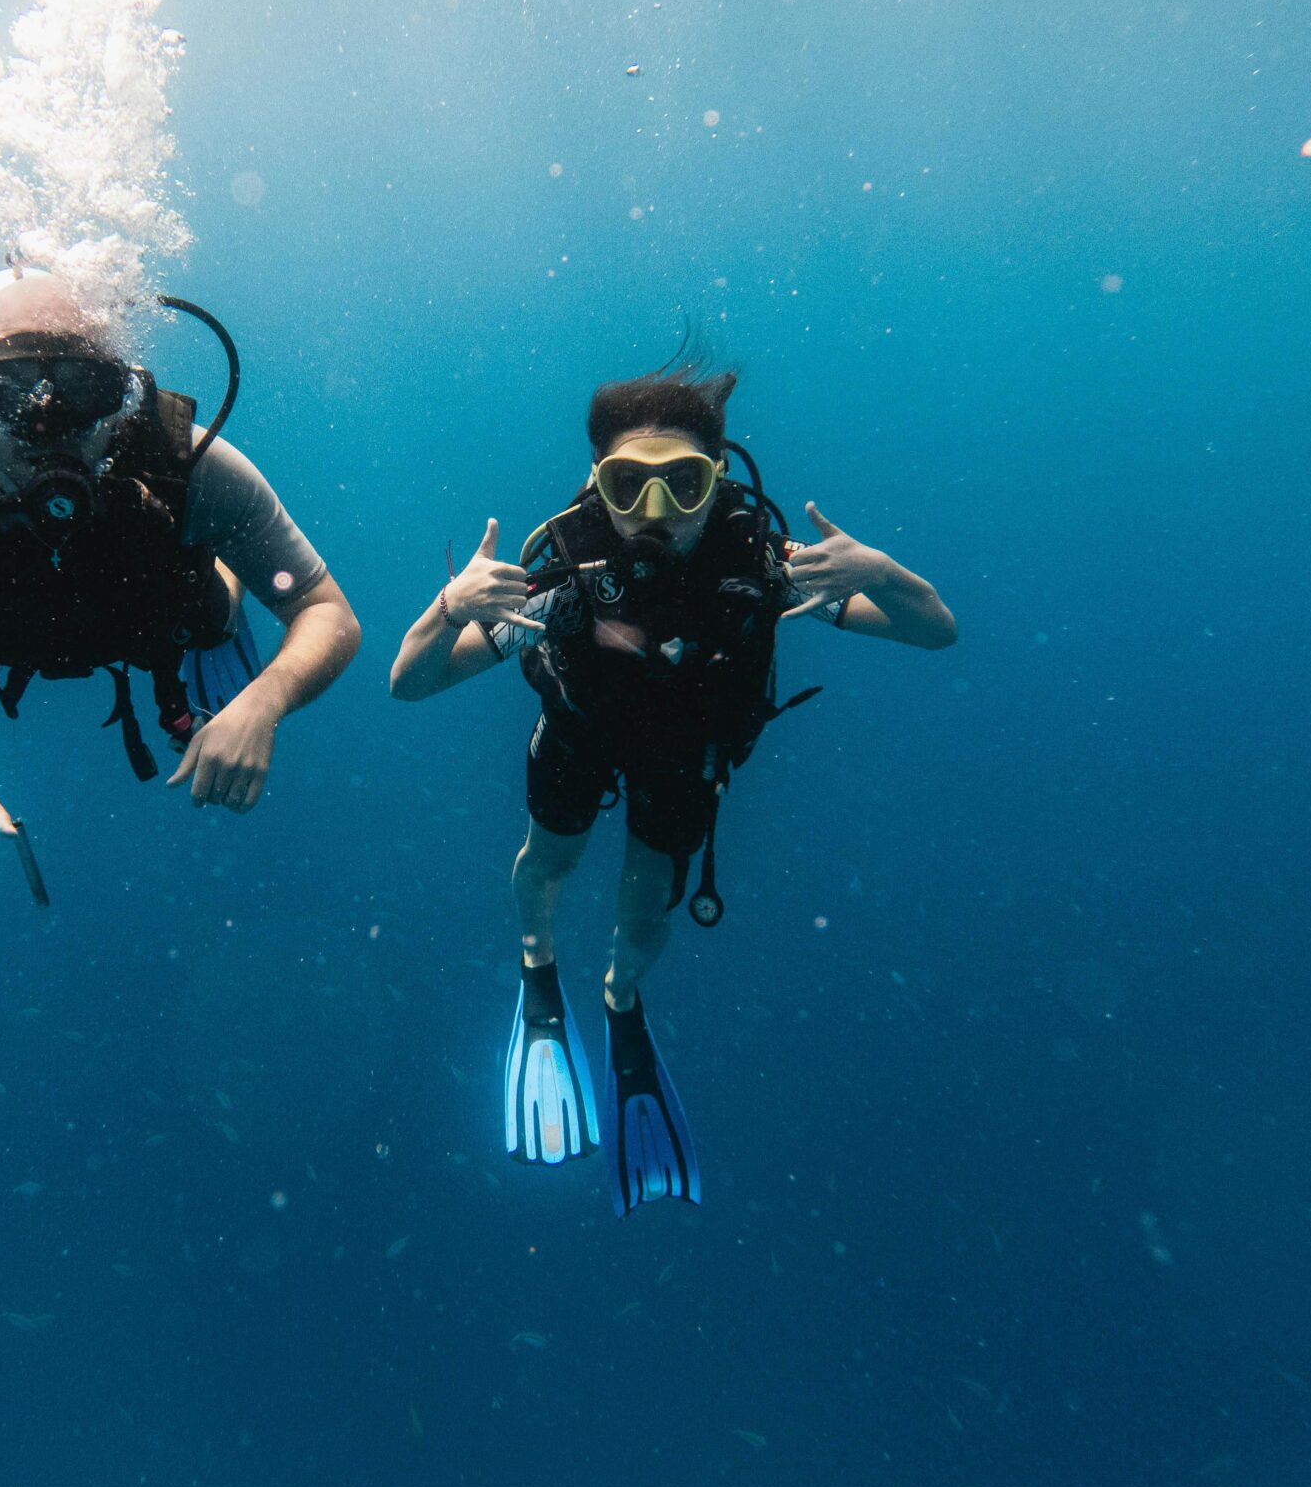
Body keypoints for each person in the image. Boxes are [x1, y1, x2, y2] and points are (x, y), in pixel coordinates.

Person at [388, 359, 956, 1213]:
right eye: (628, 485)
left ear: (717, 482)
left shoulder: (767, 569)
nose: (654, 513)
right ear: (597, 486)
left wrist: (881, 571)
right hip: (578, 736)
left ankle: (621, 1000)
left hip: (686, 759)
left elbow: (934, 631)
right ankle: (538, 968)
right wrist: (449, 607)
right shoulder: (559, 582)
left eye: (682, 485)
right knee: (549, 860)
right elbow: (409, 681)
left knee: (647, 903)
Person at [0, 273, 360, 886]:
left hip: (158, 618)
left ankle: (227, 570)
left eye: (82, 384)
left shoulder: (190, 467)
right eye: (8, 387)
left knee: (209, 616)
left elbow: (324, 608)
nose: (46, 419)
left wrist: (265, 701)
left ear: (122, 390)